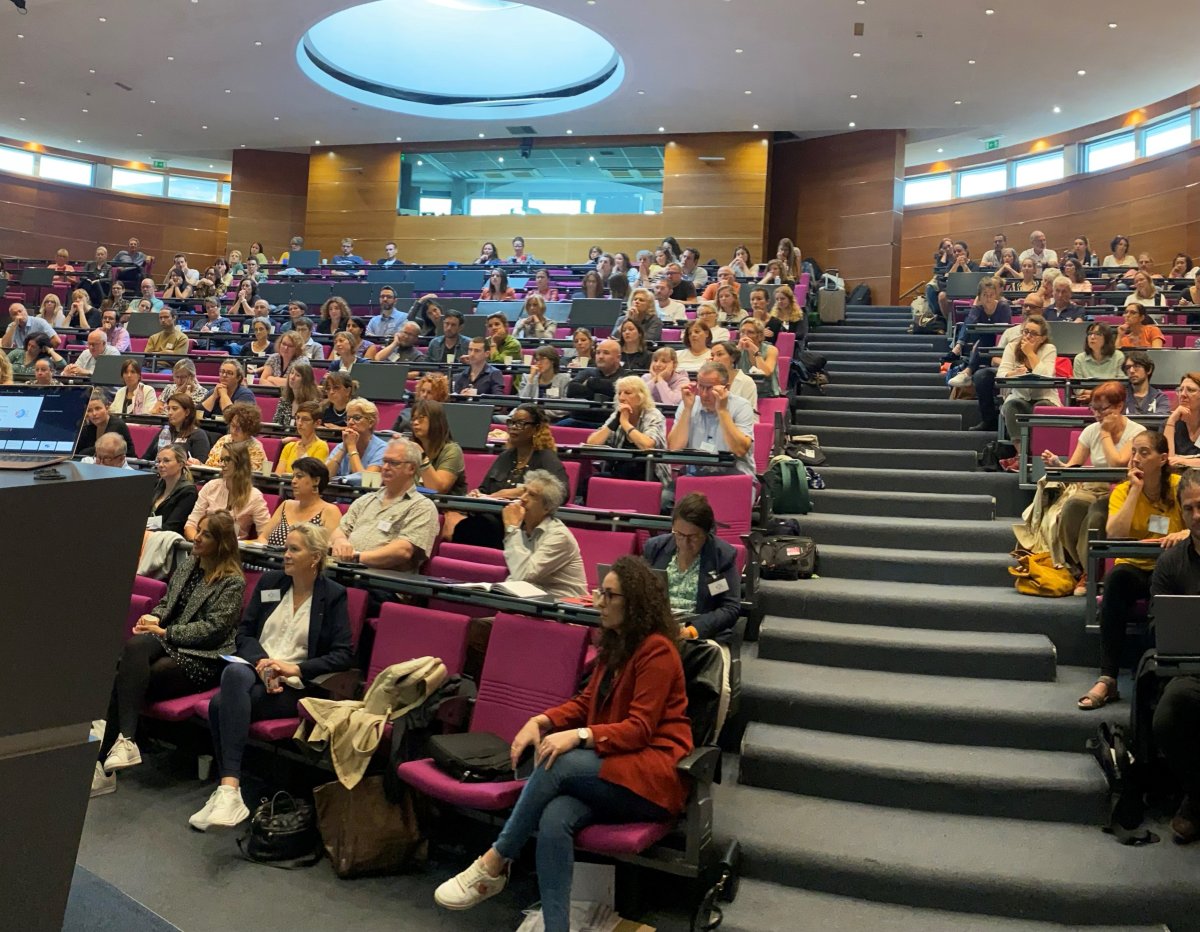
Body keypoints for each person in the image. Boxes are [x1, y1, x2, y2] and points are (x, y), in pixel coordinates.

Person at [433, 556, 690, 932]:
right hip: (613, 770)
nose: (599, 602)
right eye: (601, 593)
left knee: (560, 760)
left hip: (650, 776)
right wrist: (541, 721)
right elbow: (586, 703)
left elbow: (639, 729)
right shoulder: (617, 644)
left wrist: (579, 735)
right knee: (555, 817)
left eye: (610, 595)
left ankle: (496, 860)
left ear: (634, 603)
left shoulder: (658, 650)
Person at [192, 523, 354, 830]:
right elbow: (244, 633)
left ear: (315, 557)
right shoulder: (271, 582)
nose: (286, 555)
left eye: (294, 549)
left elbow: (343, 654)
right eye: (286, 548)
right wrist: (262, 664)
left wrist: (295, 669)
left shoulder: (333, 596)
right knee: (235, 672)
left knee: (219, 704)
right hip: (255, 672)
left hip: (294, 687)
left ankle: (227, 791)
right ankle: (229, 790)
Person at [92, 511, 244, 796]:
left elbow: (213, 630)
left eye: (206, 534)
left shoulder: (232, 582)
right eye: (199, 531)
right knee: (136, 647)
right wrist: (155, 618)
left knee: (125, 675)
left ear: (221, 544)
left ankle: (106, 766)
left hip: (203, 657)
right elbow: (166, 602)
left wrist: (165, 632)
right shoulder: (189, 565)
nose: (196, 538)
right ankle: (126, 742)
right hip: (169, 642)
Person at [1079, 432, 1188, 711]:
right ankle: (1108, 678)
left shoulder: (1179, 486)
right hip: (1134, 567)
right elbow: (1115, 533)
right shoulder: (1123, 491)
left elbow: (1197, 519)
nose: (1136, 458)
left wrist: (1186, 532)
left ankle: (1166, 678)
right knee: (1115, 580)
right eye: (1134, 452)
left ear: (1162, 459)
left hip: (1171, 568)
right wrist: (1135, 490)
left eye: (1144, 452)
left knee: (1168, 595)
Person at [1039, 382, 1142, 589]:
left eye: (1103, 409)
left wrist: (1105, 433)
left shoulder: (1137, 432)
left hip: (1121, 489)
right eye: (1093, 409)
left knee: (1095, 517)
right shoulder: (1090, 430)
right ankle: (1080, 566)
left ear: (1119, 406)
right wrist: (1057, 464)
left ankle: (1090, 573)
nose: (1097, 415)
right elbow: (1074, 467)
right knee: (1071, 508)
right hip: (1091, 486)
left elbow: (1117, 465)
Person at [1149, 469, 1200, 842]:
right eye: (1189, 508)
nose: (1197, 515)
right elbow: (1158, 625)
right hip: (1192, 669)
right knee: (1168, 715)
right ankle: (1197, 797)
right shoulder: (1170, 564)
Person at [444, 405, 568, 547]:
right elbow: (485, 489)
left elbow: (561, 493)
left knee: (474, 528)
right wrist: (477, 494)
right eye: (511, 422)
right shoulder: (505, 456)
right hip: (490, 516)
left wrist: (513, 492)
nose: (513, 427)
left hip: (522, 523)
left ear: (536, 428)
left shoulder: (546, 458)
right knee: (468, 526)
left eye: (520, 423)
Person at [643, 492, 741, 641]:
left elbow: (729, 609)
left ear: (707, 532)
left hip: (699, 636)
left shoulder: (721, 556)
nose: (685, 543)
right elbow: (638, 592)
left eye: (693, 537)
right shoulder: (655, 548)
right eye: (679, 534)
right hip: (656, 631)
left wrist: (692, 631)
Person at [329, 438, 439, 571]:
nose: (385, 467)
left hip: (382, 579)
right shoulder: (366, 499)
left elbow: (403, 551)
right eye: (385, 461)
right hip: (346, 570)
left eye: (393, 463)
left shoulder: (422, 507)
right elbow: (341, 530)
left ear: (411, 468)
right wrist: (340, 541)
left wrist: (356, 557)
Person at [499, 470, 588, 599]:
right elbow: (516, 574)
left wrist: (511, 529)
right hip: (532, 601)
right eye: (524, 491)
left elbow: (523, 575)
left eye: (532, 495)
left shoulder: (559, 536)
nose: (522, 499)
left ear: (547, 507)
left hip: (563, 606)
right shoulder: (522, 529)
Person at [668, 360, 756, 488]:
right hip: (695, 475)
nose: (704, 394)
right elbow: (674, 448)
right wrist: (687, 409)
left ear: (726, 388)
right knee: (665, 497)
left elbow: (740, 450)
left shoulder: (742, 407)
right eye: (701, 387)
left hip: (734, 475)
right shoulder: (688, 403)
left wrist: (722, 410)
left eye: (710, 388)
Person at [996, 315, 1058, 472]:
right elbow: (1001, 374)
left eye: (1033, 333)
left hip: (1044, 396)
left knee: (1043, 407)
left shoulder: (1049, 349)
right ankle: (1022, 455)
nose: (1028, 336)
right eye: (1026, 332)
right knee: (1011, 406)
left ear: (1042, 338)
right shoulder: (1012, 347)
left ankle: (1037, 456)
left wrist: (1030, 354)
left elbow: (1047, 376)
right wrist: (1014, 373)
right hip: (1020, 396)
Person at [585, 376, 670, 484]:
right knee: (589, 482)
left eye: (627, 393)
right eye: (619, 393)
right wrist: (613, 423)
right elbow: (591, 444)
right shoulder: (617, 414)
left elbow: (647, 445)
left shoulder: (653, 415)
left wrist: (625, 423)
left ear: (641, 396)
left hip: (649, 474)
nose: (621, 398)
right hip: (619, 472)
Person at [188, 442, 271, 540]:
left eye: (227, 460)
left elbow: (265, 535)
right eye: (221, 460)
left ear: (240, 463)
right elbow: (191, 525)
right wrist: (198, 541)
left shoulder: (255, 496)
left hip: (235, 547)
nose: (221, 464)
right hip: (205, 544)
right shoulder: (211, 487)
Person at [945, 278, 1014, 389]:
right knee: (980, 336)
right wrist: (975, 307)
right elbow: (969, 324)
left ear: (996, 295)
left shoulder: (1003, 307)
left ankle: (967, 371)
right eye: (985, 295)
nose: (988, 298)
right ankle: (959, 348)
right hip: (982, 347)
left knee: (985, 338)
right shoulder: (978, 309)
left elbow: (1004, 332)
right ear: (979, 297)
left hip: (1001, 345)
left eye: (991, 295)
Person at [257, 457, 342, 546]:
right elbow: (263, 537)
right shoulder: (286, 504)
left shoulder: (330, 511)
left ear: (316, 481)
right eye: (293, 477)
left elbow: (332, 547)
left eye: (299, 476)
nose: (293, 481)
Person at [561, 339, 623, 428]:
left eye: (606, 353)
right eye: (598, 353)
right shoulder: (587, 372)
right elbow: (571, 389)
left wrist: (591, 382)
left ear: (618, 357)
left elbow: (615, 390)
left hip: (609, 424)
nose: (600, 356)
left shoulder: (627, 376)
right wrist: (599, 394)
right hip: (578, 419)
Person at [411, 399, 467, 495]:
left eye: (421, 418)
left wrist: (422, 457)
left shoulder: (452, 451)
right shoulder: (410, 447)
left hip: (443, 503)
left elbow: (436, 490)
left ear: (435, 421)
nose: (415, 422)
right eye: (413, 418)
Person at [326, 398, 387, 484]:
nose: (350, 422)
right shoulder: (341, 446)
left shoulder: (383, 449)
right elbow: (324, 478)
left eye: (357, 418)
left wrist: (351, 447)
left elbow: (367, 482)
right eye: (348, 418)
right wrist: (343, 449)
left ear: (371, 423)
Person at [147, 444, 198, 536]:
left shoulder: (188, 492)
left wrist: (144, 531)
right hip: (146, 534)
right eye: (159, 461)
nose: (160, 465)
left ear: (180, 464)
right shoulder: (156, 484)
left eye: (166, 461)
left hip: (167, 539)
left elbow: (173, 526)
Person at [143, 393, 212, 462]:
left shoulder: (198, 435)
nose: (170, 413)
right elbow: (146, 458)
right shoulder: (165, 431)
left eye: (174, 409)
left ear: (187, 412)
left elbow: (201, 464)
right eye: (168, 409)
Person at [205, 403, 268, 472]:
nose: (233, 431)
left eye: (238, 428)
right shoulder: (223, 440)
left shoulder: (256, 449)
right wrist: (200, 464)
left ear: (249, 430)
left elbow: (246, 475)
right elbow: (209, 466)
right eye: (232, 425)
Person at [1071, 323, 1125, 401]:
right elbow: (1077, 390)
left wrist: (1093, 396)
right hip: (1086, 402)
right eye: (1090, 334)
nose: (1092, 337)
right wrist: (1101, 395)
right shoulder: (1079, 359)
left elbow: (1121, 387)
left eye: (1097, 334)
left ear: (1107, 338)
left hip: (1112, 401)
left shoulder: (1118, 356)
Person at [276, 403, 330, 474]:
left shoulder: (321, 446)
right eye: (297, 418)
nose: (299, 423)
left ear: (317, 423)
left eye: (305, 419)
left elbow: (311, 476)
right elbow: (279, 474)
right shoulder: (289, 447)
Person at [76, 390, 133, 457]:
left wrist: (82, 452)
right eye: (89, 410)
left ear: (107, 408)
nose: (94, 413)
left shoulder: (117, 425)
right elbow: (76, 450)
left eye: (98, 409)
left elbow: (103, 450)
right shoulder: (88, 426)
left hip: (123, 461)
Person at [518, 346, 571, 411]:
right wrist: (531, 379)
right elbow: (522, 402)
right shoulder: (528, 378)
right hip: (528, 415)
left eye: (542, 359)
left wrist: (541, 413)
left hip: (552, 415)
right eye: (537, 360)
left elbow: (566, 408)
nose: (539, 363)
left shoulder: (564, 379)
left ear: (552, 360)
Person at [736, 318, 780, 396]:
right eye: (742, 332)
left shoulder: (771, 350)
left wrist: (755, 351)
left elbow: (766, 373)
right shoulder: (737, 350)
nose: (745, 335)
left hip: (767, 393)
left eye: (750, 332)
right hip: (743, 393)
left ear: (759, 335)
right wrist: (737, 351)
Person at [1166, 373, 1200, 470]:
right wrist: (1171, 421)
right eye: (1180, 390)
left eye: (1191, 390)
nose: (1183, 394)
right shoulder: (1168, 424)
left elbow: (1176, 461)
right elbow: (1168, 462)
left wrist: (1183, 461)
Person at [274, 364, 322, 428]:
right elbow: (275, 425)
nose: (292, 377)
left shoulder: (313, 403)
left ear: (305, 381)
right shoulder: (284, 400)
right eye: (292, 373)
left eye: (297, 375)